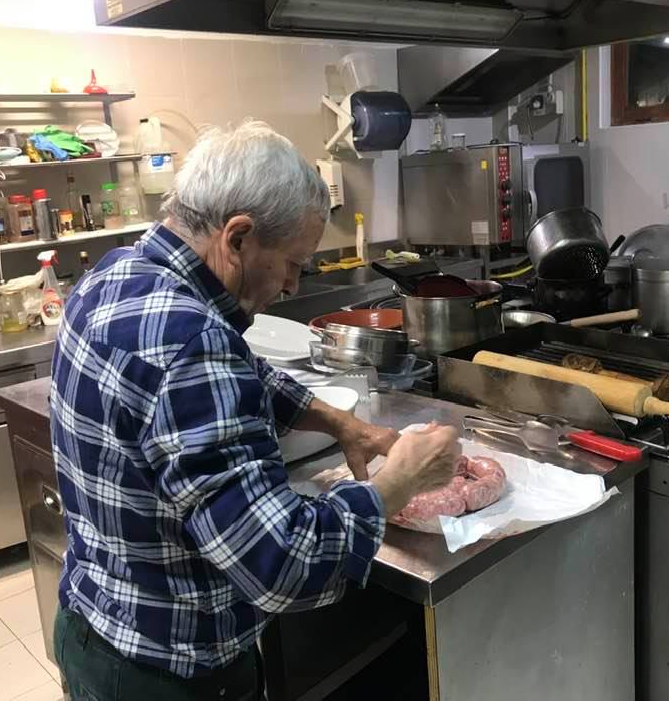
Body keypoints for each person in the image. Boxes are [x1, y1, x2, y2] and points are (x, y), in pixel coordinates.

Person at [49, 120, 461, 700]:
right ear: (238, 237)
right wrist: (399, 482)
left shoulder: (115, 273)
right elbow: (282, 565)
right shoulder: (193, 342)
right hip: (171, 674)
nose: (292, 285)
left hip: (94, 626)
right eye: (293, 262)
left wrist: (342, 423)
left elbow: (245, 373)